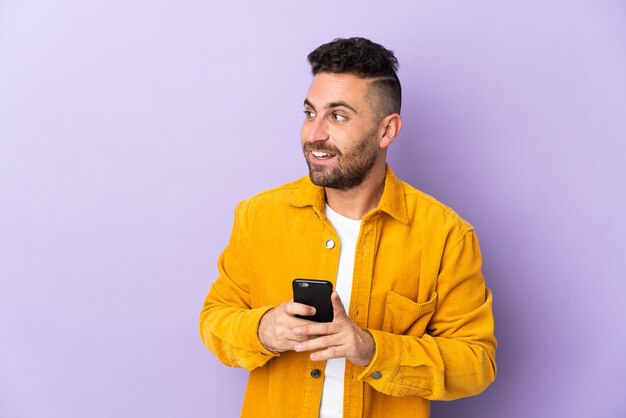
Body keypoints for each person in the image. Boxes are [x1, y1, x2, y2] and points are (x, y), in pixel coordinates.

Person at [199, 37, 496, 418]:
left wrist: (371, 348)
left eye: (337, 116)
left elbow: (477, 363)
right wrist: (262, 330)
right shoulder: (259, 216)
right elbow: (214, 318)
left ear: (387, 131)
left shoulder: (444, 236)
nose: (314, 134)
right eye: (310, 113)